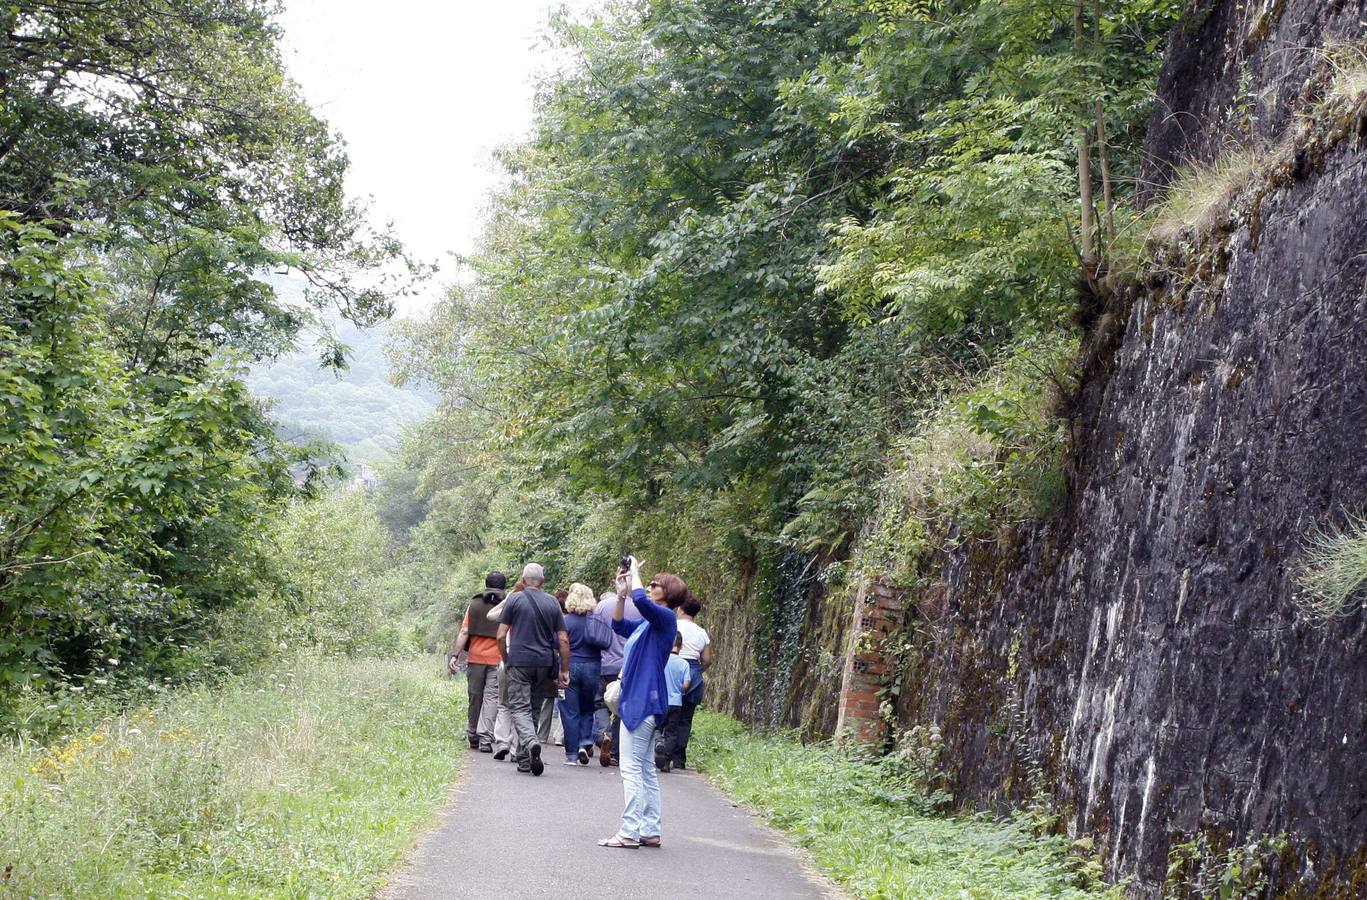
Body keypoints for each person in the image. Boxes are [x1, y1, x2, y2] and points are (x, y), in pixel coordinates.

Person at [597, 556, 683, 850]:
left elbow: (641, 600)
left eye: (656, 584)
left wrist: (634, 573)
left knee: (631, 770)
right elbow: (619, 624)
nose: (650, 585)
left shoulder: (666, 618)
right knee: (645, 769)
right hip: (644, 700)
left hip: (642, 701)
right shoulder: (648, 626)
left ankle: (629, 831)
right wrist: (620, 594)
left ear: (668, 594)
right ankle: (649, 830)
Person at [496, 564, 570, 775]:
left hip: (519, 661)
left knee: (519, 708)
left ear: (523, 579)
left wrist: (506, 659)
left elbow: (500, 635)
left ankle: (530, 741)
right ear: (542, 581)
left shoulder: (514, 600)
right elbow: (563, 639)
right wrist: (564, 668)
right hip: (545, 662)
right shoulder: (552, 602)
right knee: (534, 708)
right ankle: (524, 760)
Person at [447, 572, 507, 752]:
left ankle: (472, 733)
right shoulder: (508, 605)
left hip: (475, 658)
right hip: (497, 659)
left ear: (486, 584)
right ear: (504, 586)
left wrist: (455, 655)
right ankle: (485, 738)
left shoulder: (473, 604)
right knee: (492, 698)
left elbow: (464, 632)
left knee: (475, 696)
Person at [559, 582, 612, 765]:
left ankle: (572, 755)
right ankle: (584, 743)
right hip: (593, 667)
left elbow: (556, 644)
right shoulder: (595, 621)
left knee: (569, 711)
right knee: (588, 707)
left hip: (570, 666)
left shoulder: (565, 622)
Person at [594, 585, 640, 767]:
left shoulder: (603, 605)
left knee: (599, 703)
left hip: (603, 662)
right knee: (622, 707)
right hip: (628, 666)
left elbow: (593, 630)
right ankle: (615, 750)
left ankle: (605, 734)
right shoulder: (640, 609)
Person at [671, 594, 712, 769]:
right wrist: (696, 672)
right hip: (694, 672)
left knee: (667, 713)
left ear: (680, 609)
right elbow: (708, 659)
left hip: (672, 667)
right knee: (685, 719)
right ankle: (679, 758)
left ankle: (662, 750)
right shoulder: (701, 632)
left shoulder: (673, 625)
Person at [654, 633, 691, 772]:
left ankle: (658, 742)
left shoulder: (661, 659)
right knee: (671, 732)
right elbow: (686, 685)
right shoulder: (684, 664)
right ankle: (666, 760)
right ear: (681, 646)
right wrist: (680, 690)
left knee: (656, 727)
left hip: (660, 701)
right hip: (676, 702)